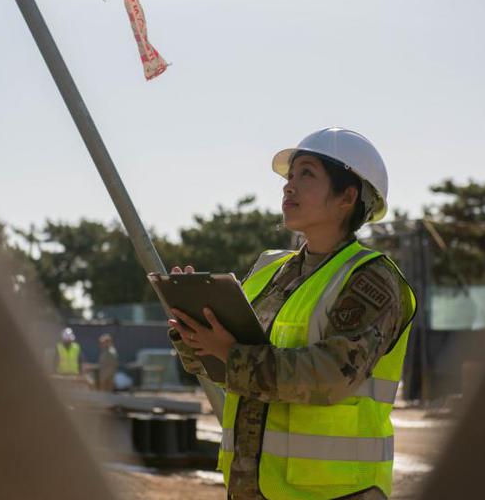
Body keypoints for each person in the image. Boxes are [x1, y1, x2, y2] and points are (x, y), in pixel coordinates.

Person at [167, 127, 416, 500]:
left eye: (307, 174)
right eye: (289, 176)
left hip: (335, 492)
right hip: (255, 486)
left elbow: (331, 376)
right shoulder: (270, 268)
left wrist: (229, 353)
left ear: (347, 196)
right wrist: (193, 332)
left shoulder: (371, 278)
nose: (288, 187)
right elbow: (225, 368)